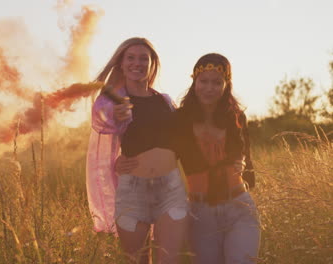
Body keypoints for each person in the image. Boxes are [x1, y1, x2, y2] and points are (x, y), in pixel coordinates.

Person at [116, 53, 260, 263]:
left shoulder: (236, 116)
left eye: (217, 83)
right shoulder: (179, 118)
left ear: (226, 85)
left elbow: (249, 164)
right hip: (201, 213)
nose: (209, 88)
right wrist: (120, 159)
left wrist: (242, 165)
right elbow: (151, 144)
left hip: (239, 207)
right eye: (203, 81)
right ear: (194, 81)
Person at [86, 37, 188, 263]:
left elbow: (183, 139)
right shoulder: (112, 102)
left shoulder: (166, 101)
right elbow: (103, 125)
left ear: (153, 64)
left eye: (144, 58)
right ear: (121, 64)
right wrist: (116, 118)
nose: (137, 63)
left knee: (169, 260)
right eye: (130, 58)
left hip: (170, 190)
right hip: (132, 192)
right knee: (138, 261)